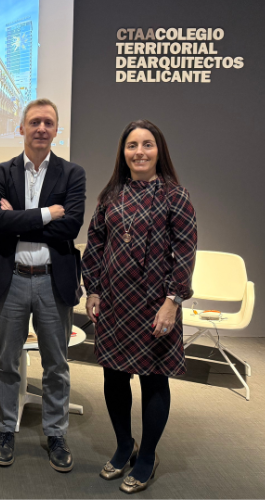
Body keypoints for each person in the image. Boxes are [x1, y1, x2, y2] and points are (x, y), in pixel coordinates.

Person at [81, 120, 196, 493]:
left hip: (156, 305)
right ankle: (123, 445)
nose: (140, 152)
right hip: (115, 303)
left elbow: (185, 252)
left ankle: (146, 456)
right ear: (123, 152)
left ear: (159, 151)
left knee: (154, 379)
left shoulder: (176, 196)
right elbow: (95, 243)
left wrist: (172, 302)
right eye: (132, 145)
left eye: (147, 144)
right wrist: (93, 290)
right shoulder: (111, 195)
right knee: (114, 377)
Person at [0, 98, 86, 471]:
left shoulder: (72, 174)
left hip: (52, 280)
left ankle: (56, 433)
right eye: (34, 122)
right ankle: (6, 429)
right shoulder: (2, 172)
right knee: (5, 362)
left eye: (48, 123)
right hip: (10, 279)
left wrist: (19, 219)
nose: (41, 128)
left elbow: (70, 227)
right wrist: (46, 214)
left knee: (56, 364)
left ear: (56, 130)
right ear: (21, 128)